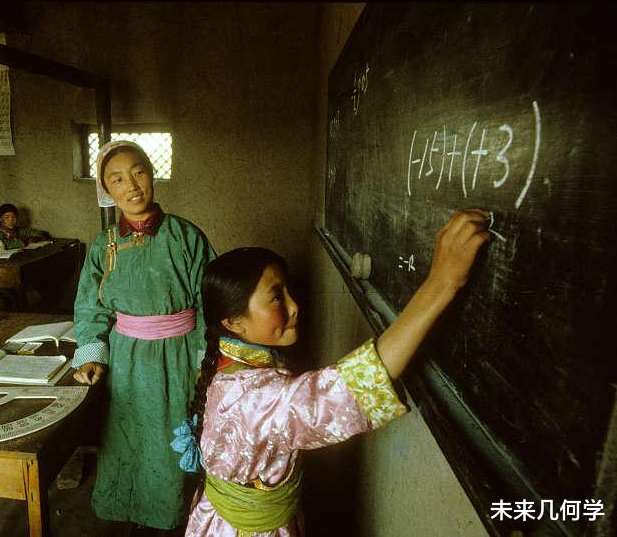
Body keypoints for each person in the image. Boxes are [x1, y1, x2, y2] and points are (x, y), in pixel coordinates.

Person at [180, 209, 490, 536]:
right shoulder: (254, 396)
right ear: (233, 322)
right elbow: (347, 391)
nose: (294, 305)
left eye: (288, 290)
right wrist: (442, 283)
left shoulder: (224, 359)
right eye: (276, 297)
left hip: (216, 514)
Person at [72, 140, 217, 532]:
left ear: (152, 175)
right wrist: (91, 355)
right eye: (117, 179)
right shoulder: (105, 246)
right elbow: (91, 308)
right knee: (126, 437)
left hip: (181, 357)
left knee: (175, 439)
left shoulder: (186, 237)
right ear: (107, 189)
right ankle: (131, 513)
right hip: (126, 362)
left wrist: (208, 361)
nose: (131, 186)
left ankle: (174, 518)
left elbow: (211, 305)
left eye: (138, 173)